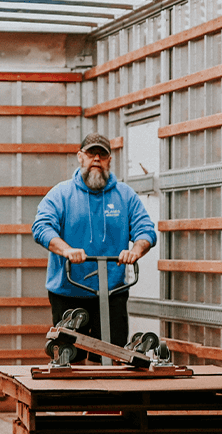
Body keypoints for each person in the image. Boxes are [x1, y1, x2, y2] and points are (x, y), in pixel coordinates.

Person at [32, 134, 157, 352]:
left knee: (111, 354)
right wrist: (67, 250)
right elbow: (41, 227)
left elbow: (145, 230)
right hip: (69, 290)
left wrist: (135, 251)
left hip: (112, 292)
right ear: (80, 157)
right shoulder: (61, 194)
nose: (96, 159)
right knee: (70, 356)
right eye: (91, 153)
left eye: (102, 154)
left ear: (110, 160)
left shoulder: (125, 195)